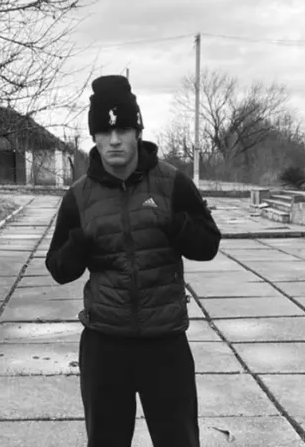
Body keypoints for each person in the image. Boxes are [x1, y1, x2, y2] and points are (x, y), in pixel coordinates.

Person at [45, 75, 221, 447]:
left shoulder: (173, 183)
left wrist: (176, 224)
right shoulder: (78, 197)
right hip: (105, 345)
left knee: (179, 441)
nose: (114, 140)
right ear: (93, 137)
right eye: (105, 132)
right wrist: (80, 243)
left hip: (165, 343)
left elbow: (208, 245)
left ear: (137, 132)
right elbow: (59, 269)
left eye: (123, 129)